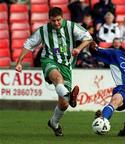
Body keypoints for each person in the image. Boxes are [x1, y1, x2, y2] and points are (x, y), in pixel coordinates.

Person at [15, 7, 92, 136]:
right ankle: (69, 95)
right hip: (49, 60)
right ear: (49, 20)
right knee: (57, 78)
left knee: (64, 105)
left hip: (66, 65)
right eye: (53, 21)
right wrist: (19, 62)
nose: (56, 23)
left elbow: (88, 38)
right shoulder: (43, 30)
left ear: (62, 18)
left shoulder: (71, 26)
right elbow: (28, 44)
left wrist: (78, 49)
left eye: (58, 20)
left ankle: (54, 123)